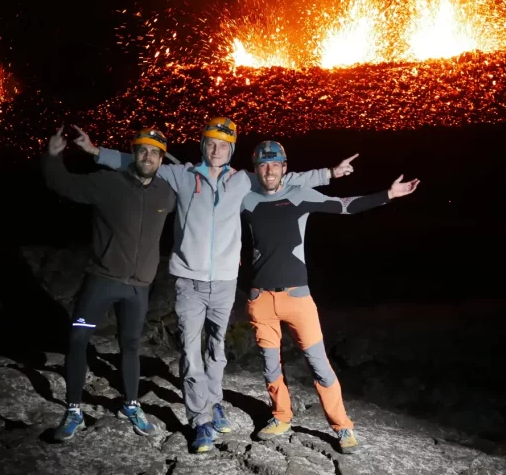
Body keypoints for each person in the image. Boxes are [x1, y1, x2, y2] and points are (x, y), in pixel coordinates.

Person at [71, 118, 359, 453]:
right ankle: (201, 421)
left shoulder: (242, 181)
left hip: (224, 283)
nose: (215, 150)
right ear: (202, 145)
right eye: (210, 143)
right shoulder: (181, 175)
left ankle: (216, 400)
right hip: (189, 282)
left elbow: (283, 176)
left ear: (232, 149)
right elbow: (136, 160)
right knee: (191, 355)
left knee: (216, 352)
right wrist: (95, 152)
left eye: (223, 145)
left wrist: (329, 174)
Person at [240, 140, 419, 454]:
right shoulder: (244, 198)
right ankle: (281, 417)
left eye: (275, 164)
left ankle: (343, 427)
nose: (268, 171)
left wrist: (387, 195)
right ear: (255, 169)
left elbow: (346, 205)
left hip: (298, 299)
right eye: (262, 165)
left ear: (284, 167)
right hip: (260, 299)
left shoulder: (299, 195)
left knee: (319, 365)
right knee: (270, 367)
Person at [41, 125, 177, 442]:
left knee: (130, 345)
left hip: (138, 287)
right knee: (78, 339)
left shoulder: (166, 193)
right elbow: (61, 184)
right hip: (102, 281)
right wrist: (52, 156)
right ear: (133, 153)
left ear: (161, 160)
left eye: (155, 152)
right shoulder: (108, 182)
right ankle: (73, 410)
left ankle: (130, 404)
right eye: (142, 150)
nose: (148, 156)